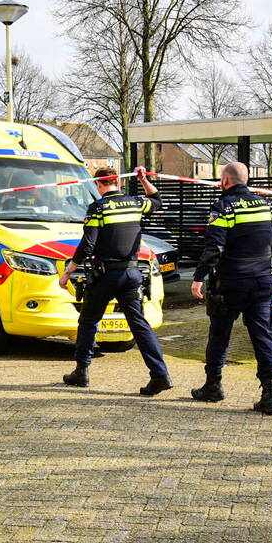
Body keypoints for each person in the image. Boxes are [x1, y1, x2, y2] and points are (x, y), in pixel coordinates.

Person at [58, 166, 173, 395]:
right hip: (132, 274)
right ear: (118, 183)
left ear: (99, 184)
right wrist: (144, 179)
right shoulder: (136, 203)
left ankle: (82, 371)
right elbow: (157, 200)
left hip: (106, 275)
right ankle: (160, 375)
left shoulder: (98, 208)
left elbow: (88, 244)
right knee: (139, 325)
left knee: (89, 321)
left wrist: (68, 271)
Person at [189, 162, 272, 415]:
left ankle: (213, 387)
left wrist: (199, 277)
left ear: (225, 182)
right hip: (262, 281)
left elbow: (214, 246)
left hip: (231, 283)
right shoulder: (264, 204)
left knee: (219, 335)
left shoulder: (223, 207)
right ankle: (270, 396)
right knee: (264, 337)